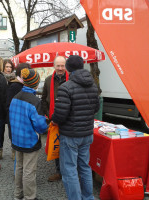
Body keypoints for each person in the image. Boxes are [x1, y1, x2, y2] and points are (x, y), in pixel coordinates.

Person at [52, 55, 100, 200]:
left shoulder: (66, 87)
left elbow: (60, 114)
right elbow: (96, 108)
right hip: (87, 133)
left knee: (69, 170)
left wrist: (54, 121)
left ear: (68, 68)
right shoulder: (93, 85)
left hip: (70, 135)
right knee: (85, 167)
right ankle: (88, 197)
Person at [9, 68, 47, 200]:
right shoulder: (35, 101)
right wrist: (46, 126)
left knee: (19, 167)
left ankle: (17, 195)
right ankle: (30, 197)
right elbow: (40, 126)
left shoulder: (15, 97)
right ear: (35, 83)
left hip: (17, 139)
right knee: (29, 170)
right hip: (30, 140)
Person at [41, 56, 68, 182]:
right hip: (54, 120)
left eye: (63, 65)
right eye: (58, 66)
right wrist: (49, 116)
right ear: (54, 66)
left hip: (68, 120)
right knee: (56, 146)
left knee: (68, 147)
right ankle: (59, 172)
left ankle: (68, 172)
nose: (61, 68)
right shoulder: (48, 80)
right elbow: (44, 100)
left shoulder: (71, 79)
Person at [6, 62, 31, 160]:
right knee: (15, 138)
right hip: (15, 118)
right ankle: (15, 154)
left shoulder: (22, 84)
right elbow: (9, 104)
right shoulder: (16, 86)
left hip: (19, 117)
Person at [0, 59, 15, 160]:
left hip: (11, 108)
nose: (8, 69)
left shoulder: (15, 79)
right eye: (7, 67)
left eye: (10, 67)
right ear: (3, 67)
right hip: (0, 108)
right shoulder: (0, 78)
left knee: (12, 131)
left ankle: (14, 151)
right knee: (0, 131)